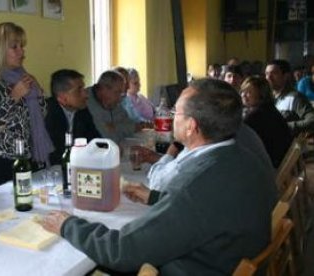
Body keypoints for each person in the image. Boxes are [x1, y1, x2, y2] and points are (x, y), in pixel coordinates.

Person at [41, 78, 277, 275]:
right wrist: (155, 198)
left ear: (191, 127)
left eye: (177, 112)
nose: (172, 115)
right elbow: (207, 210)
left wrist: (68, 225)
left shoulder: (196, 182)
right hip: (225, 256)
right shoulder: (241, 155)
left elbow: (123, 251)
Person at [0, 22, 53, 188]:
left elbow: (41, 115)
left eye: (21, 46)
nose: (22, 52)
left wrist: (38, 94)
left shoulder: (20, 77)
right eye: (14, 47)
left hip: (25, 157)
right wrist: (13, 97)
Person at [45, 69, 101, 165]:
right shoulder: (47, 114)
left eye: (84, 88)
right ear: (62, 98)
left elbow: (95, 140)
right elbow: (56, 154)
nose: (86, 94)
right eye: (79, 90)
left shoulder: (82, 111)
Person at [241, 76, 292, 168]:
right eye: (243, 91)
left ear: (261, 94)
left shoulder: (256, 115)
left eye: (248, 92)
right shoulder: (268, 108)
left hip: (267, 167)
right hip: (276, 162)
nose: (243, 95)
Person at [265, 59, 314, 136]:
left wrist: (285, 126)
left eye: (274, 73)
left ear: (285, 76)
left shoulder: (295, 97)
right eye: (267, 74)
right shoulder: (266, 97)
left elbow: (312, 120)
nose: (268, 77)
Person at [86, 70, 135, 144]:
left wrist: (115, 127)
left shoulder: (113, 101)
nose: (119, 98)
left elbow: (131, 125)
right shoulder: (85, 102)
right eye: (117, 92)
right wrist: (120, 130)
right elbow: (106, 138)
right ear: (103, 89)